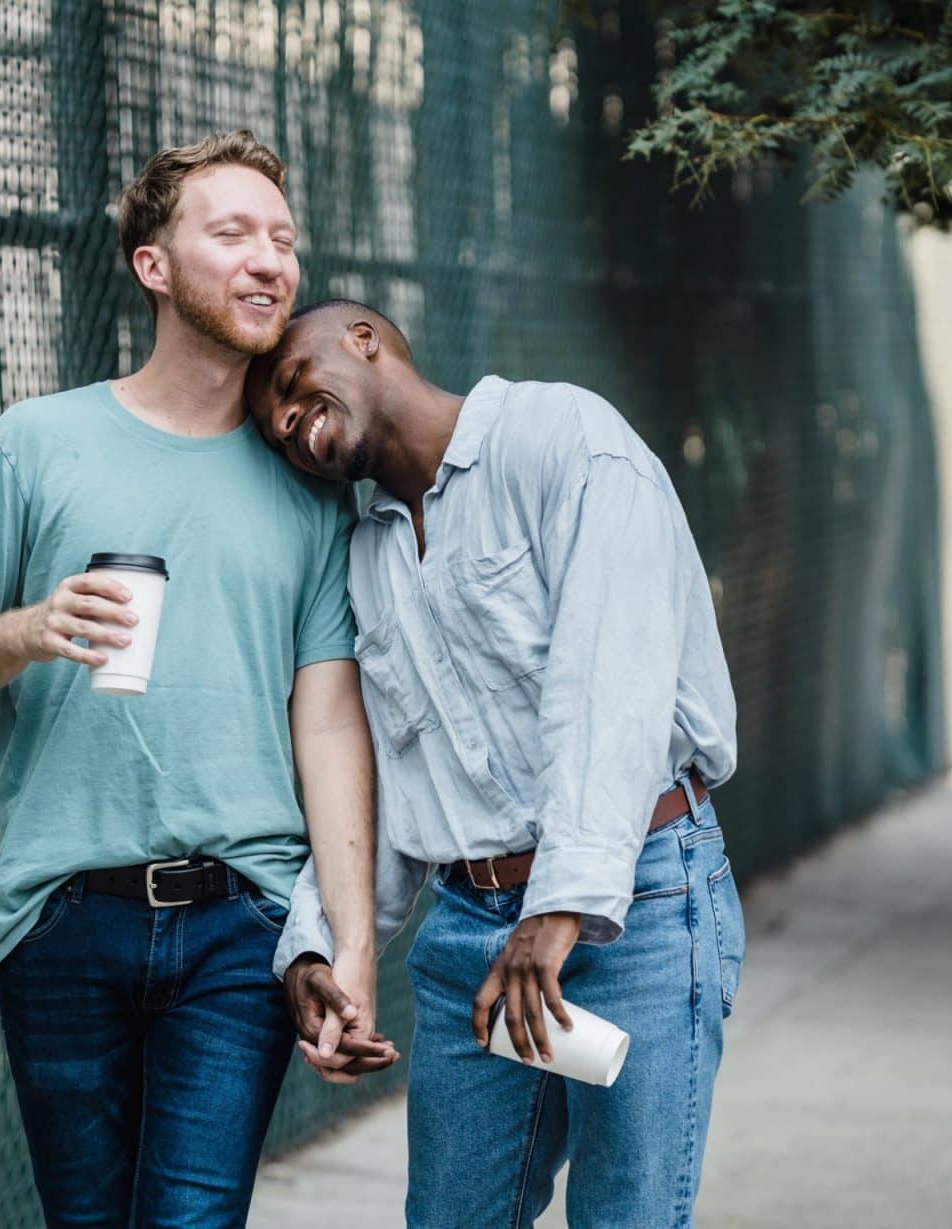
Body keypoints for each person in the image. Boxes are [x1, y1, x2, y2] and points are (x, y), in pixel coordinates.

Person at [0, 137, 394, 1228]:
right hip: (61, 916)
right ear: (153, 265)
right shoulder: (37, 443)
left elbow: (327, 728)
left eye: (282, 239)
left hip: (240, 923)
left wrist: (347, 943)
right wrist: (31, 627)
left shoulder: (311, 490)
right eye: (231, 233)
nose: (268, 260)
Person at [244, 299, 746, 1228]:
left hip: (641, 902)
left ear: (363, 338)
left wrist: (556, 910)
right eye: (272, 425)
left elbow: (612, 691)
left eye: (288, 383)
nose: (283, 419)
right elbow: (402, 785)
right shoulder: (369, 556)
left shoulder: (564, 440)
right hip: (472, 927)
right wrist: (315, 947)